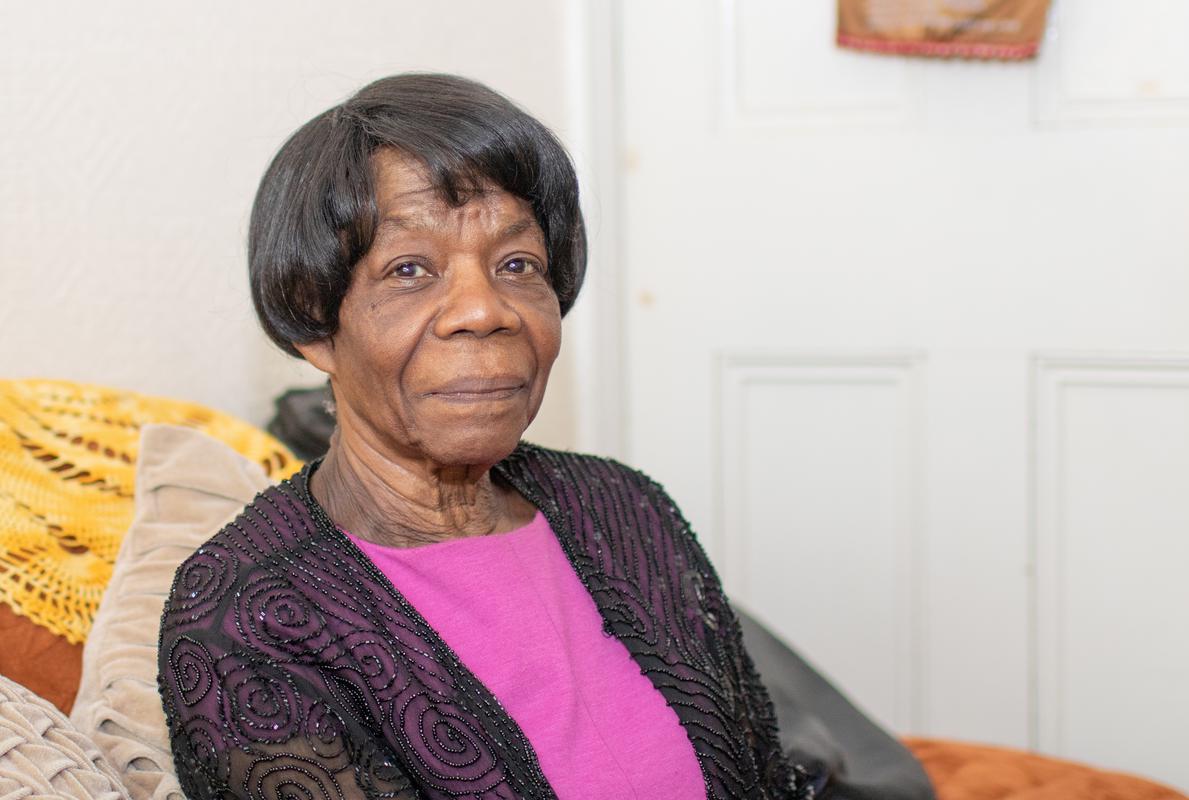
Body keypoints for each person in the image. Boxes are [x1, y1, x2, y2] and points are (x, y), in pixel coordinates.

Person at [157, 73, 827, 799]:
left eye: (517, 265)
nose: (484, 310)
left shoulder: (624, 508)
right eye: (410, 269)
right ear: (315, 321)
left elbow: (762, 776)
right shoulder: (248, 617)